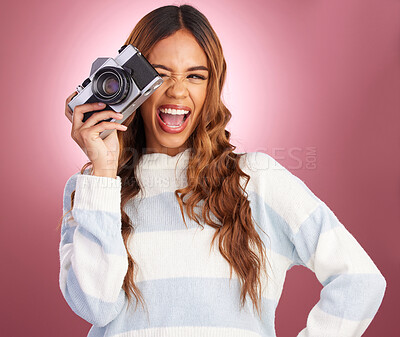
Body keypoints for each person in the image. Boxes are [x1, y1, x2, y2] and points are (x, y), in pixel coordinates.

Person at [59, 4, 386, 337]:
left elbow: (359, 279)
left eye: (195, 75)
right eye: (159, 74)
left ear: (211, 87)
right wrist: (103, 171)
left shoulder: (255, 179)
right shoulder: (91, 190)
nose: (177, 90)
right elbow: (94, 307)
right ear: (133, 85)